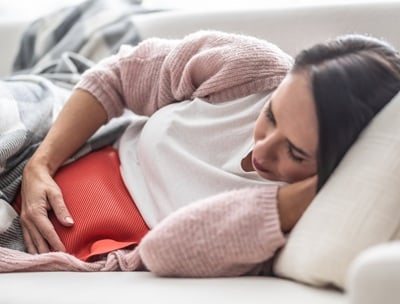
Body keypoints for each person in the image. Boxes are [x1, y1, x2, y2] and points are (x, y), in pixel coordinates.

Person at [17, 30, 400, 275]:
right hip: (58, 146)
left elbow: (164, 251)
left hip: (79, 242)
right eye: (271, 115)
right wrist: (41, 164)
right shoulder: (253, 70)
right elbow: (118, 75)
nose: (262, 150)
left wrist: (301, 197)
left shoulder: (288, 221)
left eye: (296, 153)